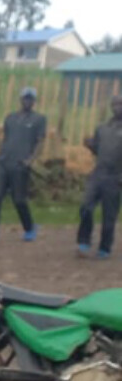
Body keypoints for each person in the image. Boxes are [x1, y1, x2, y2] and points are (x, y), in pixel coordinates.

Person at [0, 87, 46, 243]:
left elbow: (40, 142)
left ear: (34, 101)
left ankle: (29, 227)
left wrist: (30, 160)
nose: (27, 101)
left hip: (20, 164)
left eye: (30, 99)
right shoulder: (11, 118)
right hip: (3, 162)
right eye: (25, 98)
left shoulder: (39, 119)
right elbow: (6, 139)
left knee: (19, 199)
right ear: (21, 99)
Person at [77, 95, 122, 260]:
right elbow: (98, 150)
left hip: (115, 177)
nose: (117, 107)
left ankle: (105, 247)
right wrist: (90, 145)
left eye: (120, 104)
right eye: (115, 104)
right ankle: (83, 242)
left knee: (109, 216)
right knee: (85, 207)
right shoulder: (102, 128)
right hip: (98, 174)